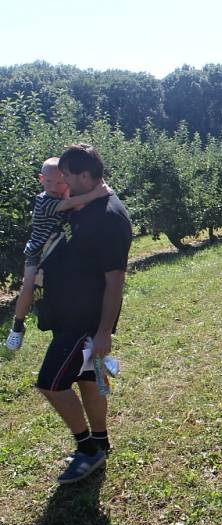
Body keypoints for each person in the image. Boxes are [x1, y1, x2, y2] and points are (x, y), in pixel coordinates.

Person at [35, 144, 133, 484]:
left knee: (50, 384)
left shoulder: (108, 217)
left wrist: (104, 331)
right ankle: (101, 442)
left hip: (83, 322)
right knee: (90, 382)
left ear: (86, 176)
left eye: (67, 176)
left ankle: (87, 448)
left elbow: (115, 282)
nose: (62, 181)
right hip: (66, 315)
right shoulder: (85, 203)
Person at [6, 158, 112, 351]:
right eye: (49, 182)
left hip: (56, 253)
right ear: (41, 179)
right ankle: (18, 325)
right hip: (37, 253)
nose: (54, 187)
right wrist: (97, 193)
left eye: (60, 182)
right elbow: (72, 204)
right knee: (28, 286)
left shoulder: (67, 195)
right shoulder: (43, 201)